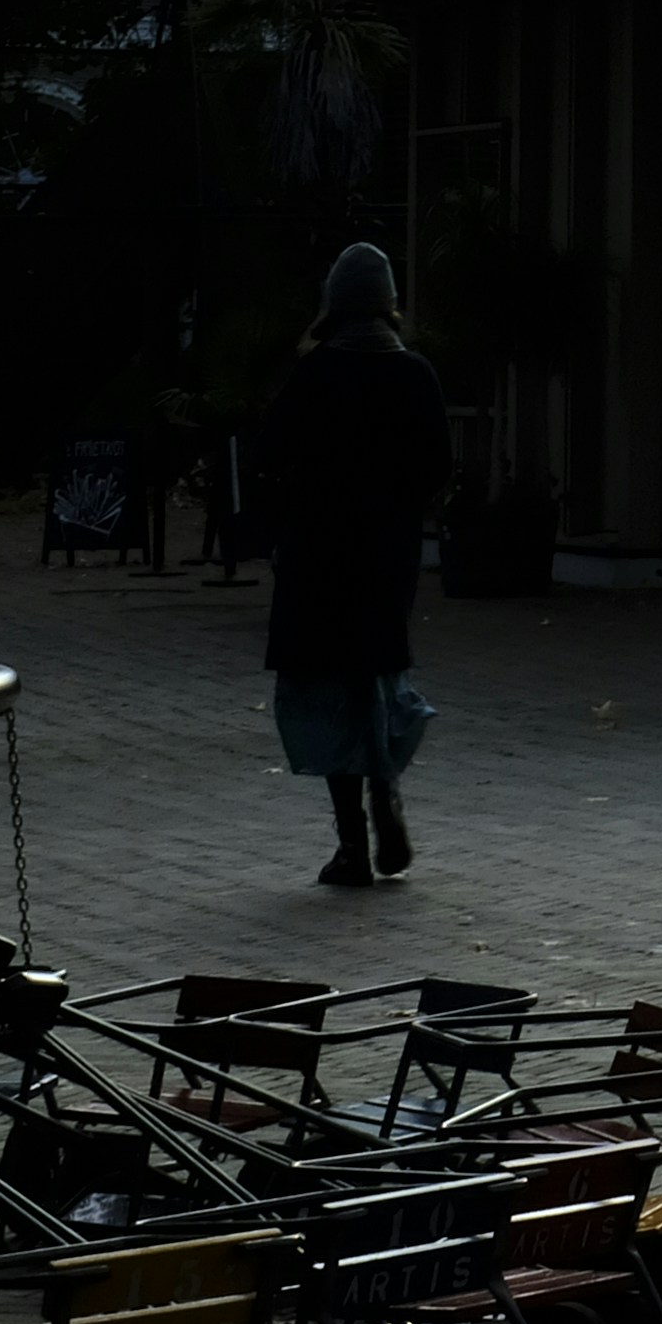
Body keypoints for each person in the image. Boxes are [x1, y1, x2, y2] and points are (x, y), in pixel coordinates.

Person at [258, 241, 450, 892]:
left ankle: (351, 845)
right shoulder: (415, 374)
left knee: (329, 690)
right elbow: (437, 466)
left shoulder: (315, 374)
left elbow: (270, 453)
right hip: (387, 554)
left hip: (319, 555)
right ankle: (385, 787)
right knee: (378, 678)